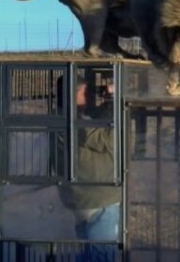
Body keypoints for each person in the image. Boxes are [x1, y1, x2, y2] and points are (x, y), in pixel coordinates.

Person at [57, 76, 121, 261]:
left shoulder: (63, 117)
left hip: (83, 198)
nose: (89, 96)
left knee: (88, 255)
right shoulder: (74, 122)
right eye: (85, 92)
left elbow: (97, 123)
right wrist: (115, 101)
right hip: (97, 200)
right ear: (73, 94)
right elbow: (110, 139)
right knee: (101, 256)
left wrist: (110, 103)